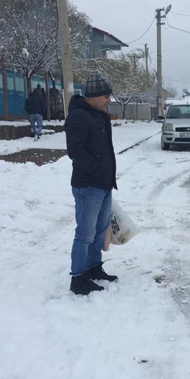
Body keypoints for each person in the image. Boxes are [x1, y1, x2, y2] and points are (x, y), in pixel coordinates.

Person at [65, 74, 119, 295]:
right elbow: (75, 151)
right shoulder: (78, 116)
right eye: (106, 96)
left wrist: (107, 175)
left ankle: (93, 267)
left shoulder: (99, 115)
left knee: (99, 231)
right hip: (88, 186)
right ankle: (78, 278)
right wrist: (98, 171)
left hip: (104, 185)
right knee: (85, 233)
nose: (109, 100)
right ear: (94, 96)